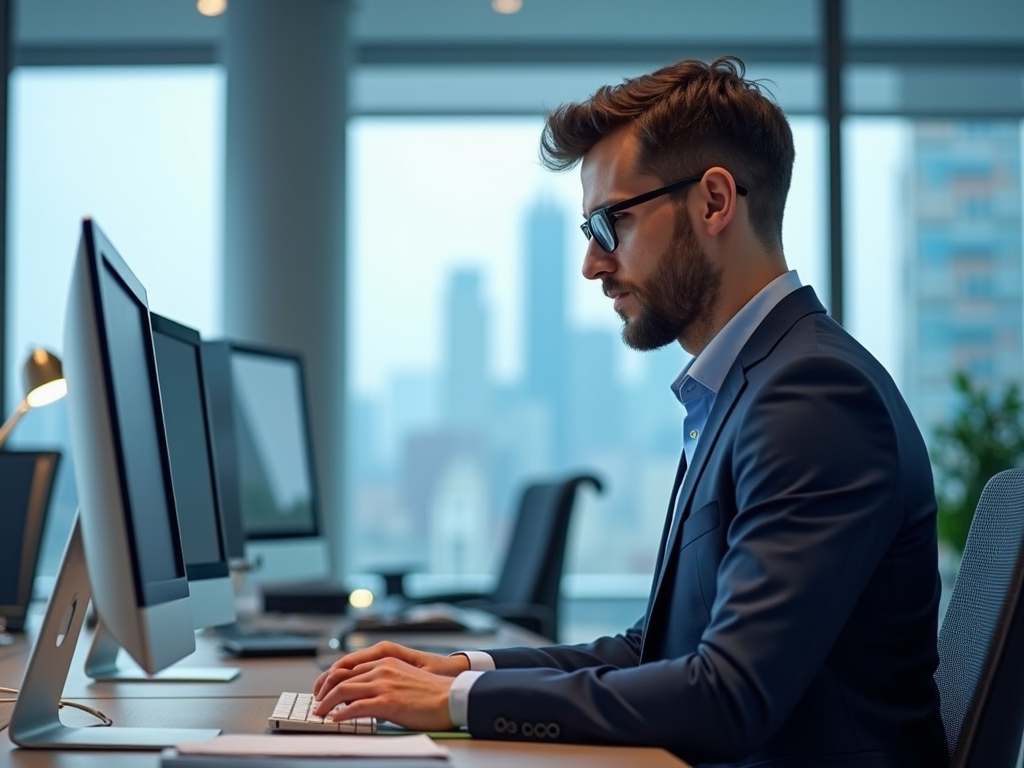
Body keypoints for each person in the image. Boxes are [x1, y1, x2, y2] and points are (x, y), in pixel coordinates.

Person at [312, 56, 948, 767]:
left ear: (714, 202)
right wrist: (464, 672)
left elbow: (727, 695)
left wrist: (457, 708)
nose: (592, 262)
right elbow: (655, 650)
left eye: (610, 224)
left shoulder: (815, 397)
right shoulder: (750, 385)